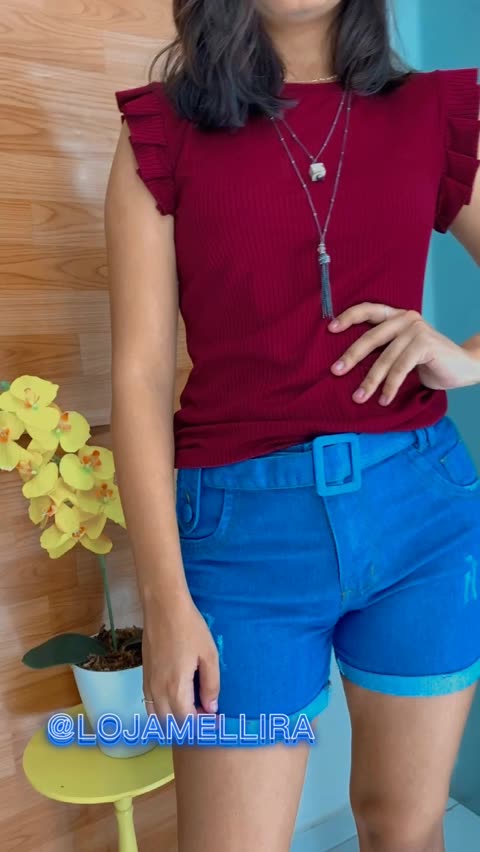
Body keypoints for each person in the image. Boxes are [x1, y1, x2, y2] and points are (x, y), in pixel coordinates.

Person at [104, 1, 480, 850]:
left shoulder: (432, 113)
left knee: (406, 829)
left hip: (423, 518)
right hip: (240, 540)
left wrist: (465, 356)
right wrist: (164, 600)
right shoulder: (162, 133)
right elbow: (139, 379)